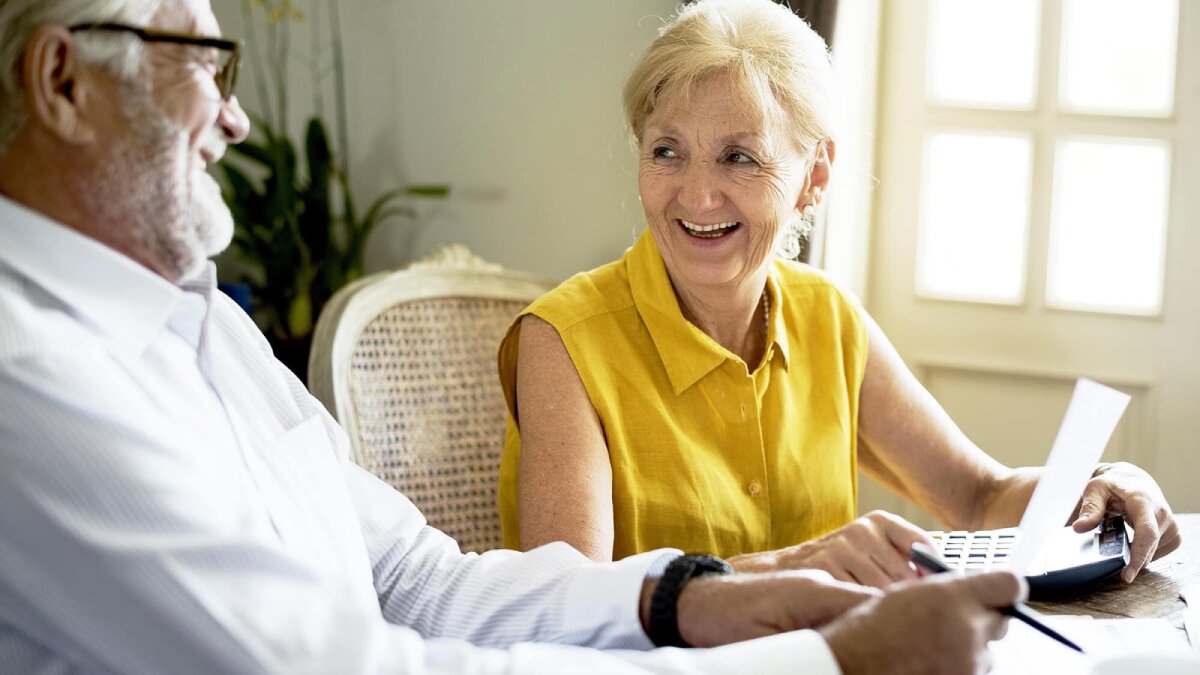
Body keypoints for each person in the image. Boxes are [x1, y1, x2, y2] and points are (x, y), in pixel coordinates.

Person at [0, 0, 1031, 673]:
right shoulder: (28, 372)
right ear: (63, 82)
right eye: (205, 64)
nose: (236, 121)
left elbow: (422, 581)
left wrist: (707, 600)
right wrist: (826, 660)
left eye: (741, 158)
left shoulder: (203, 328)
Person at [498, 0, 1181, 589]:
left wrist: (1104, 481)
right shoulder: (563, 339)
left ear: (814, 173)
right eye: (666, 150)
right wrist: (798, 567)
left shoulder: (826, 316)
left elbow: (979, 495)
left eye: (739, 156)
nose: (697, 195)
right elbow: (567, 599)